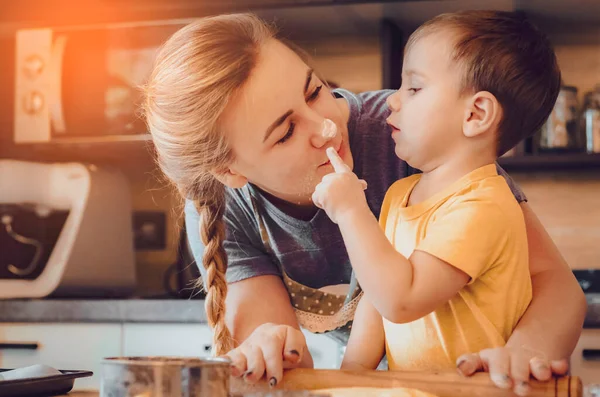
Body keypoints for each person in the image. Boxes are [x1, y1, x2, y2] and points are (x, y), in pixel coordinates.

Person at [141, 12, 586, 395]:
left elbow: (556, 286)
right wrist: (271, 349)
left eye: (314, 91)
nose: (327, 128)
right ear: (231, 173)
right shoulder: (226, 208)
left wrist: (522, 356)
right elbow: (288, 361)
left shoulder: (411, 139)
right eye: (286, 132)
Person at [310, 11, 567, 396]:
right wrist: (349, 376)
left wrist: (349, 210)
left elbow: (402, 300)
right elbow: (376, 301)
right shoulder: (401, 194)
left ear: (475, 114)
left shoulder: (484, 205)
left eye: (414, 88)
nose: (393, 100)